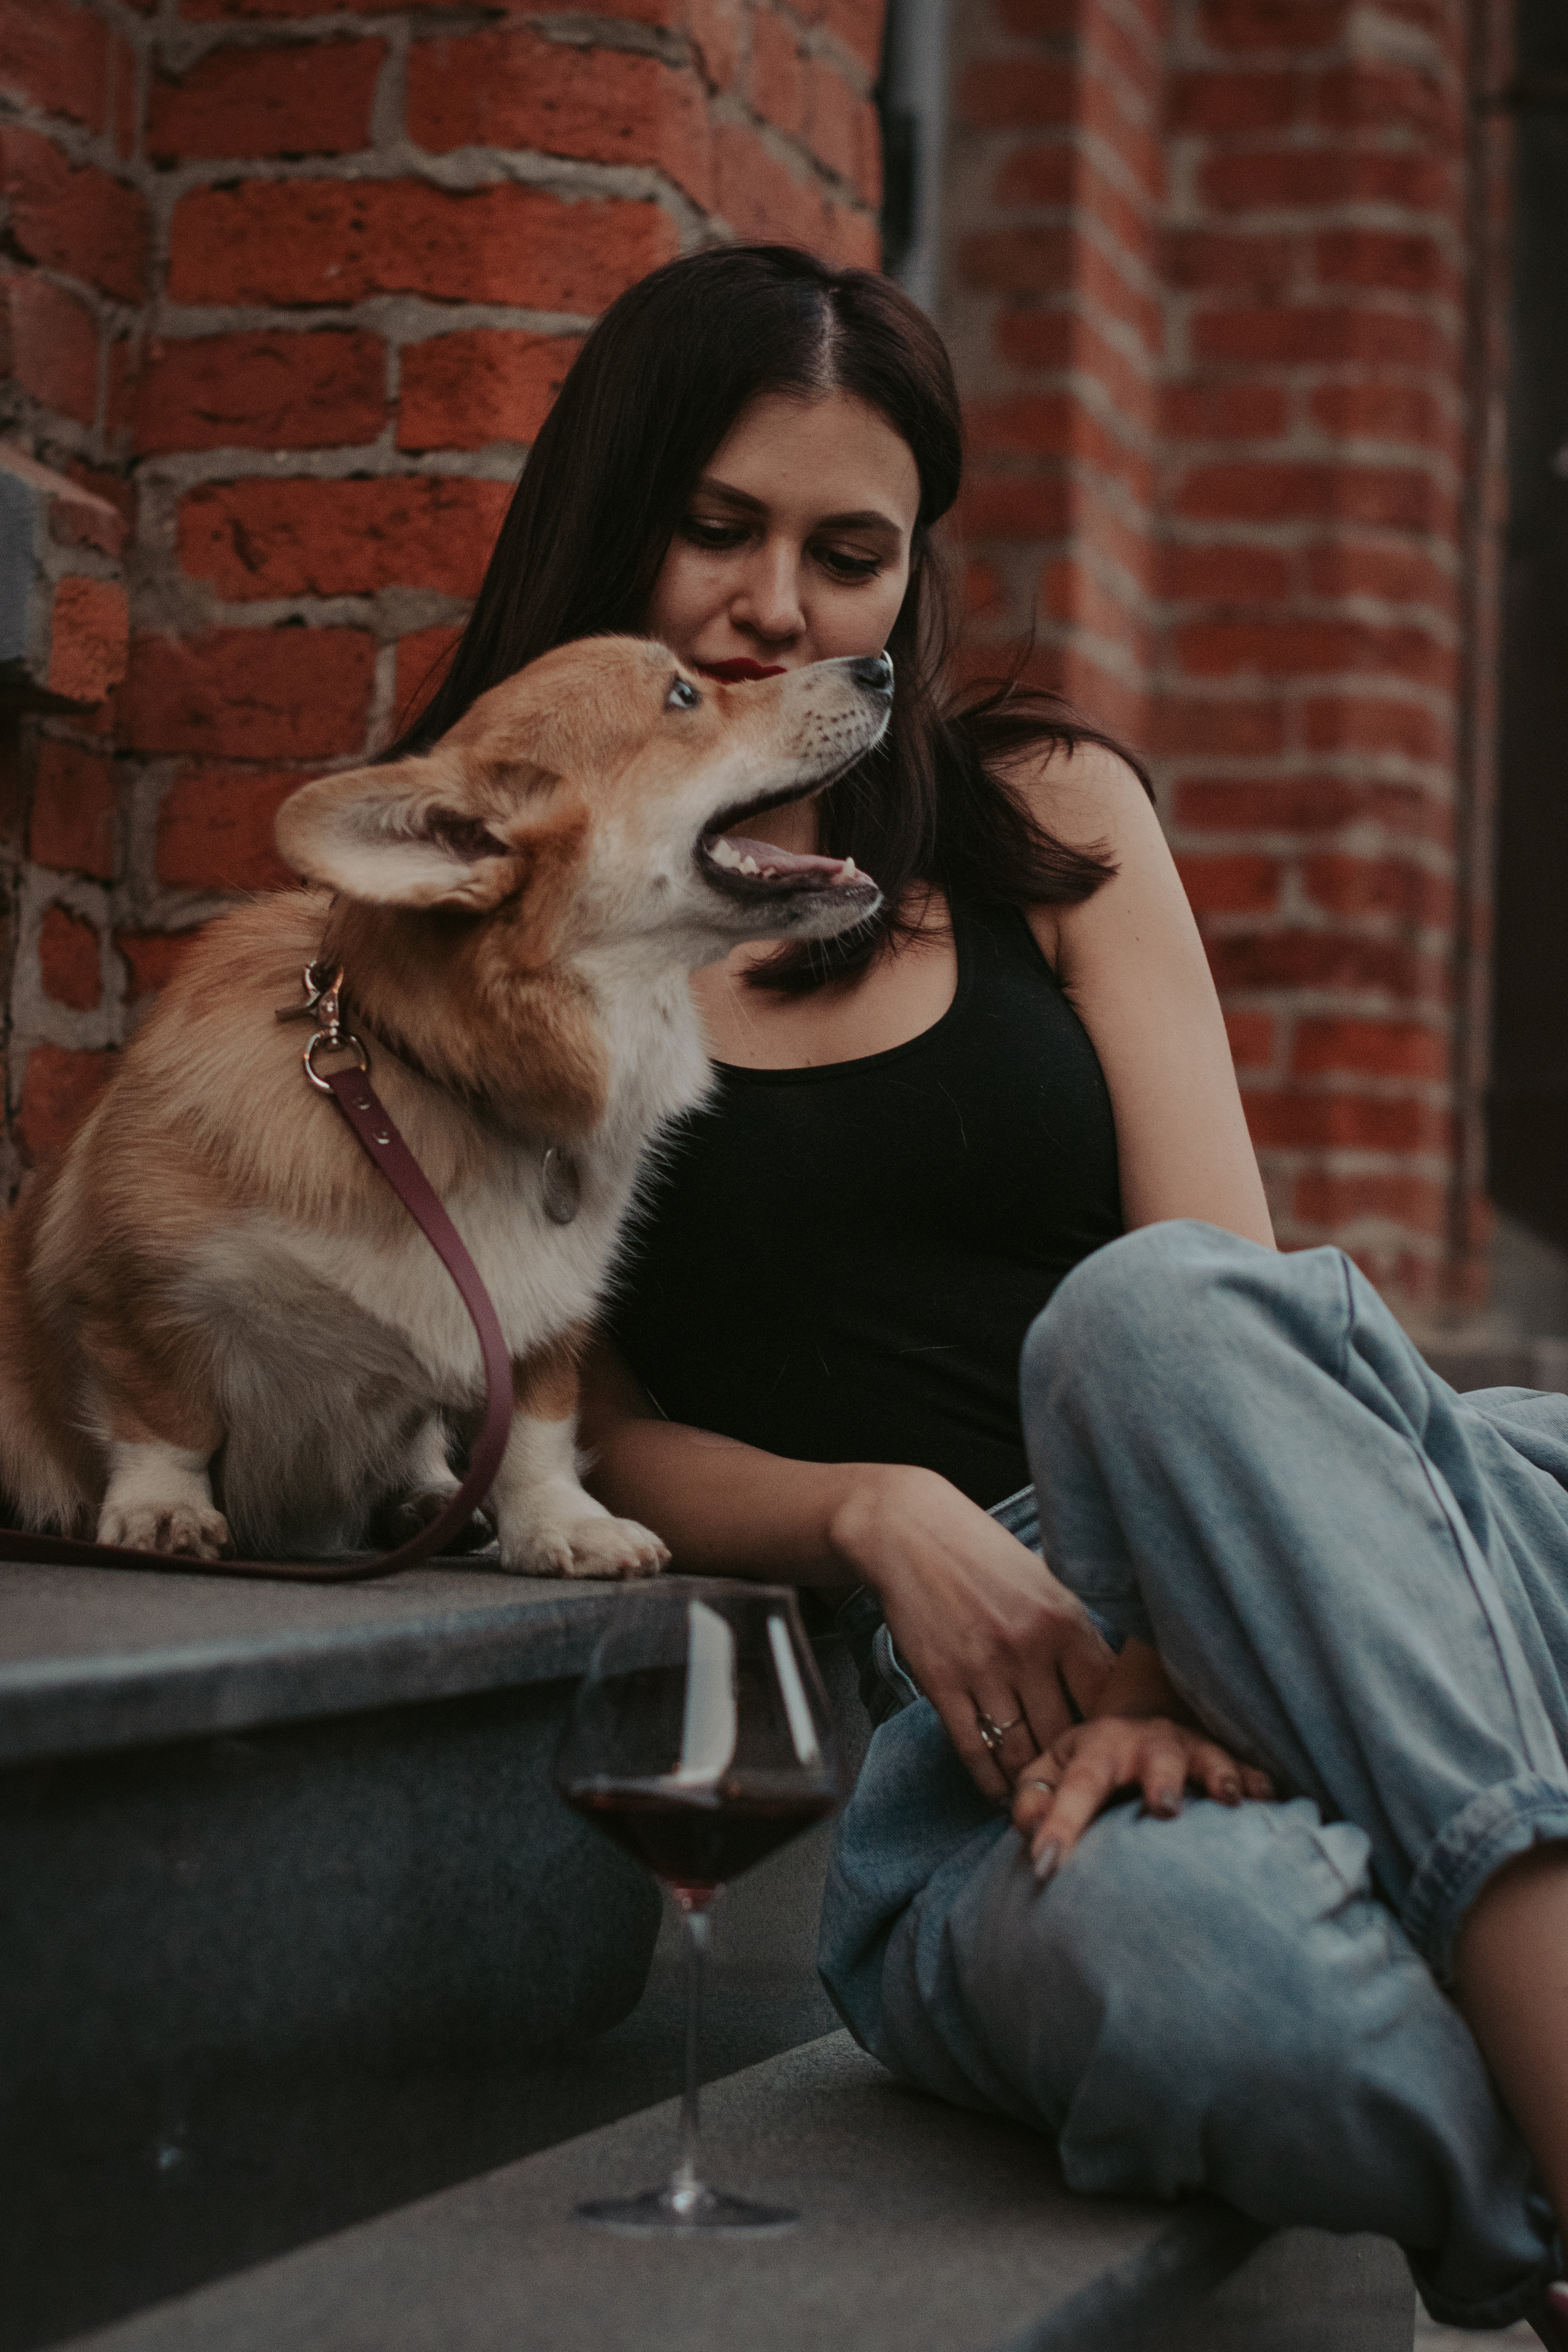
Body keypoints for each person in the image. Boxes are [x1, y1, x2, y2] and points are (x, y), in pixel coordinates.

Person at [392, 244, 1568, 2341]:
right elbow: (594, 1411)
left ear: (910, 574)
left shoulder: (1050, 816)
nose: (778, 604)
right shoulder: (511, 934)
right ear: (617, 506)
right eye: (719, 528)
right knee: (1222, 1986)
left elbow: (1232, 1297)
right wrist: (872, 1509)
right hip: (984, 1727)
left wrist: (1185, 1661)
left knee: (1143, 1320)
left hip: (1311, 1530)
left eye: (850, 555)